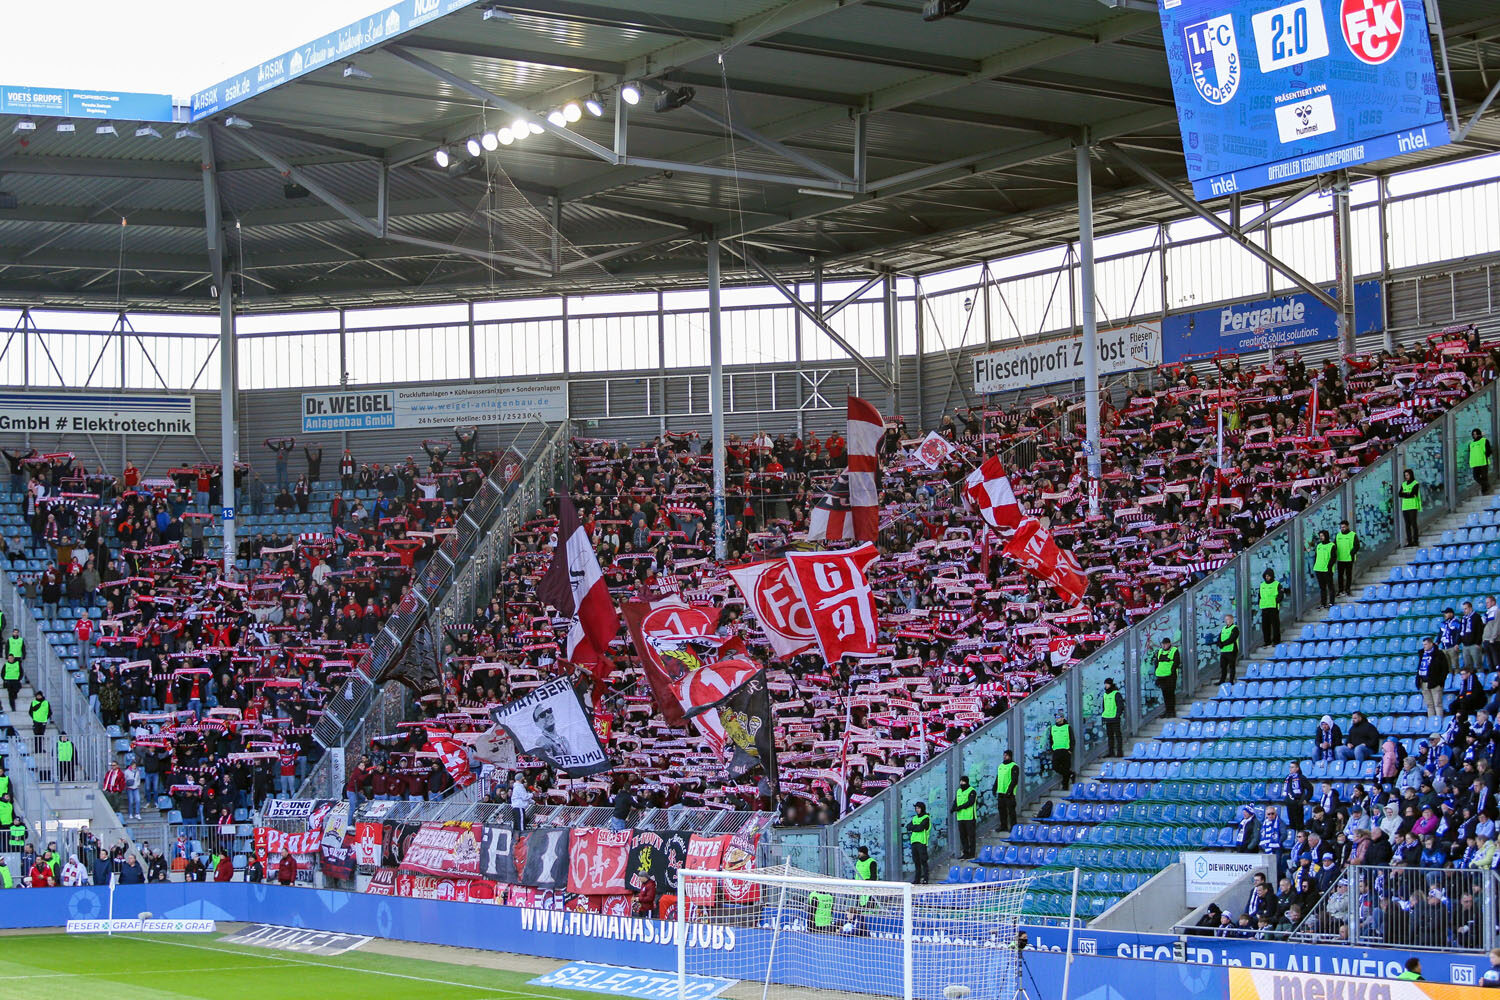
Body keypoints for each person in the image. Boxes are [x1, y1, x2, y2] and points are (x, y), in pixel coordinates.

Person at [1415, 636, 1447, 722]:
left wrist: (1440, 681)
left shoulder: (1439, 654)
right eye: (1423, 644)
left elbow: (1445, 669)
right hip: (1423, 682)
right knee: (1429, 705)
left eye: (1425, 644)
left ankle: (1439, 722)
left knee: (1437, 704)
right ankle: (1432, 723)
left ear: (1431, 644)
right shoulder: (1422, 654)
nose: (1424, 646)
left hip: (1435, 683)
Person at [1153, 636, 1180, 717]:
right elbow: (1157, 663)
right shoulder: (1160, 651)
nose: (1164, 646)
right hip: (1161, 676)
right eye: (1163, 644)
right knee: (1165, 694)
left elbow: (1177, 662)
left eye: (1165, 644)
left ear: (1169, 644)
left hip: (1170, 676)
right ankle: (1167, 711)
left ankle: (1172, 711)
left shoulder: (1174, 650)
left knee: (1170, 694)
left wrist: (1172, 671)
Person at [1308, 529, 1336, 608]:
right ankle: (1323, 603)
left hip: (1327, 569)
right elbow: (1316, 557)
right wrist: (1315, 565)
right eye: (1320, 536)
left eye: (1322, 536)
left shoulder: (1331, 545)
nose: (1321, 537)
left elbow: (1333, 557)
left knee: (1330, 586)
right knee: (1322, 588)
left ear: (1326, 536)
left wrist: (1329, 567)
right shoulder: (1319, 545)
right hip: (1318, 569)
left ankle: (1331, 602)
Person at [1334, 519, 1360, 597]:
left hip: (1349, 559)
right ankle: (1340, 590)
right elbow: (1334, 546)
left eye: (1344, 527)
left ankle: (1347, 589)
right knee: (1340, 576)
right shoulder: (1338, 535)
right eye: (1341, 527)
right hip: (1340, 559)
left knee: (1348, 575)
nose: (1342, 529)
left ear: (1347, 526)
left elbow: (1357, 546)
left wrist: (1351, 553)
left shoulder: (1353, 534)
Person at [953, 775, 977, 860]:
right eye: (961, 781)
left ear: (967, 782)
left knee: (971, 836)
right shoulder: (959, 791)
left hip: (970, 817)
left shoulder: (972, 791)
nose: (961, 783)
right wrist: (953, 808)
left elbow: (970, 802)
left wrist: (960, 807)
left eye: (963, 781)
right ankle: (965, 852)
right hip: (960, 817)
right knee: (963, 836)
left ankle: (972, 852)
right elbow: (956, 801)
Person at [906, 802, 931, 884]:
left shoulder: (926, 818)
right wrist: (915, 827)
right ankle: (917, 879)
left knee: (923, 861)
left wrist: (914, 827)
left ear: (922, 808)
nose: (917, 810)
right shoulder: (915, 818)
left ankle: (925, 878)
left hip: (922, 842)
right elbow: (908, 827)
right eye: (916, 808)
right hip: (914, 841)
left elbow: (920, 828)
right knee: (916, 861)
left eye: (919, 808)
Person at [1049, 709, 1074, 788]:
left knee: (1066, 767)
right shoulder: (1053, 728)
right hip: (1056, 751)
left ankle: (1065, 786)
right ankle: (1070, 773)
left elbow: (1072, 739)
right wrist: (1052, 748)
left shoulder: (1067, 727)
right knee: (1055, 767)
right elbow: (1051, 739)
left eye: (1059, 717)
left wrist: (1070, 750)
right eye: (1056, 717)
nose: (1057, 719)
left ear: (1063, 718)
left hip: (1065, 751)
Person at [994, 750, 1019, 831]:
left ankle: (1013, 826)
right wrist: (994, 787)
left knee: (1011, 810)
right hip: (1001, 792)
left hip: (1009, 793)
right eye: (1004, 755)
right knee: (1002, 810)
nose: (1004, 756)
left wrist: (1009, 790)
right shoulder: (1000, 766)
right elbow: (998, 778)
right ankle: (1003, 826)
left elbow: (1014, 780)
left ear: (1010, 756)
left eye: (1006, 755)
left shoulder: (1014, 766)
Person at [1259, 568, 1284, 646]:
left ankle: (1276, 640)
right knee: (1265, 626)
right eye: (1266, 576)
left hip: (1273, 607)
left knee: (1275, 625)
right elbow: (1259, 595)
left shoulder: (1277, 584)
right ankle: (1267, 641)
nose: (1267, 577)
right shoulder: (1262, 585)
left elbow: (1281, 594)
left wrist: (1277, 601)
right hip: (1264, 607)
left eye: (1269, 576)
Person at [1283, 762, 1311, 830]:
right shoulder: (1288, 777)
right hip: (1289, 803)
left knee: (1299, 824)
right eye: (1290, 767)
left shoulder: (1301, 777)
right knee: (1291, 823)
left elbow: (1310, 788)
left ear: (1297, 768)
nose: (1290, 769)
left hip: (1297, 803)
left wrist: (1306, 799)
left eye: (1292, 767)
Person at [1101, 678, 1124, 757]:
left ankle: (1119, 752)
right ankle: (1111, 752)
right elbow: (1104, 706)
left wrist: (1117, 715)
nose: (1106, 685)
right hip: (1107, 717)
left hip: (1114, 718)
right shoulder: (1105, 694)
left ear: (1110, 684)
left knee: (1117, 735)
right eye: (1105, 684)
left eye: (1107, 684)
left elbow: (1120, 705)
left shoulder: (1116, 693)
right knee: (1110, 736)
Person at [1400, 469, 1422, 547]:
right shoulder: (1403, 484)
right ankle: (1409, 541)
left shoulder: (1415, 483)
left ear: (1411, 475)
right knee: (1407, 525)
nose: (1406, 477)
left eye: (1407, 475)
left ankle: (1415, 540)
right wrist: (1408, 494)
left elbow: (1413, 494)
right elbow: (1400, 494)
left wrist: (1406, 494)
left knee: (1413, 523)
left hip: (1413, 506)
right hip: (1405, 506)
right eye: (1405, 475)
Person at [1217, 614, 1240, 684]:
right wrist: (1219, 644)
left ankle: (1231, 681)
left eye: (1228, 619)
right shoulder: (1223, 628)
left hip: (1231, 650)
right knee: (1223, 667)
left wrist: (1222, 644)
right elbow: (1219, 638)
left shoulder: (1235, 628)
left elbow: (1232, 639)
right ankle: (1222, 680)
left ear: (1232, 620)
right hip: (1224, 651)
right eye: (1226, 619)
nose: (1227, 621)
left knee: (1231, 666)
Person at [1472, 427, 1493, 494]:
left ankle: (1484, 491)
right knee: (1476, 477)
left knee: (1484, 477)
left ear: (1479, 434)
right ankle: (1487, 485)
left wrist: (1485, 456)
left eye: (1475, 434)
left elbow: (1489, 450)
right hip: (1475, 463)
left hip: (1483, 462)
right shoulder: (1471, 443)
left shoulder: (1484, 440)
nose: (1474, 436)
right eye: (1473, 434)